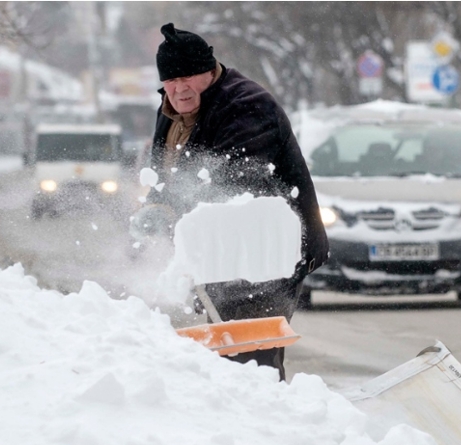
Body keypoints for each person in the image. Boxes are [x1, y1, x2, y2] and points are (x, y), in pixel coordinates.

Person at [137, 23, 329, 381]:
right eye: (171, 79)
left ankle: (273, 425)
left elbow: (234, 184)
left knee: (252, 363)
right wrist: (155, 206)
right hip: (220, 256)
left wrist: (175, 215)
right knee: (228, 354)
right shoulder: (171, 112)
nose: (180, 87)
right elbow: (166, 177)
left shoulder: (246, 106)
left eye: (189, 76)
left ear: (210, 71)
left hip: (263, 254)